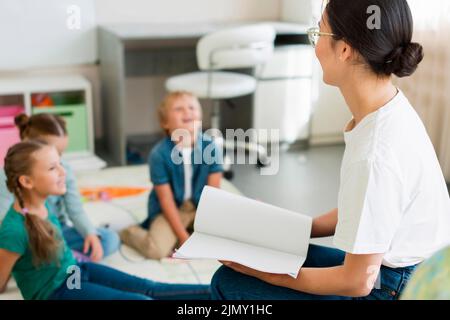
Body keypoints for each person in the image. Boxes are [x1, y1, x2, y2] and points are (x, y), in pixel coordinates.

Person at [210, 0, 450, 300]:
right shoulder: (390, 107)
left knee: (229, 283)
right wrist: (284, 228)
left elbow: (357, 282)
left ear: (345, 49)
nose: (315, 47)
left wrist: (265, 273)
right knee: (268, 254)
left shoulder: (375, 152)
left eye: (318, 34)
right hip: (401, 269)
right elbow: (367, 208)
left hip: (391, 287)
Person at [0, 140, 210, 300]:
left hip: (76, 271)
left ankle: (222, 295)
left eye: (60, 164)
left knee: (151, 288)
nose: (63, 172)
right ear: (26, 181)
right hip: (58, 292)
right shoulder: (14, 230)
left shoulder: (43, 204)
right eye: (52, 168)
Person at [0, 113, 120, 261]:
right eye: (54, 155)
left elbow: (75, 210)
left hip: (57, 231)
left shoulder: (65, 170)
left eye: (61, 154)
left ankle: (60, 259)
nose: (61, 167)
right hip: (27, 235)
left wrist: (90, 233)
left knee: (109, 239)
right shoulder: (8, 175)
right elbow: (5, 221)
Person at [120, 91, 223, 259]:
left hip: (200, 208)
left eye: (192, 107)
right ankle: (129, 233)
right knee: (156, 250)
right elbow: (166, 201)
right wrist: (184, 238)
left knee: (229, 236)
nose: (187, 112)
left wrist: (211, 229)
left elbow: (214, 195)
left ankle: (187, 231)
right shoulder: (158, 155)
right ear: (165, 123)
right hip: (170, 211)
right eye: (179, 109)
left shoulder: (211, 147)